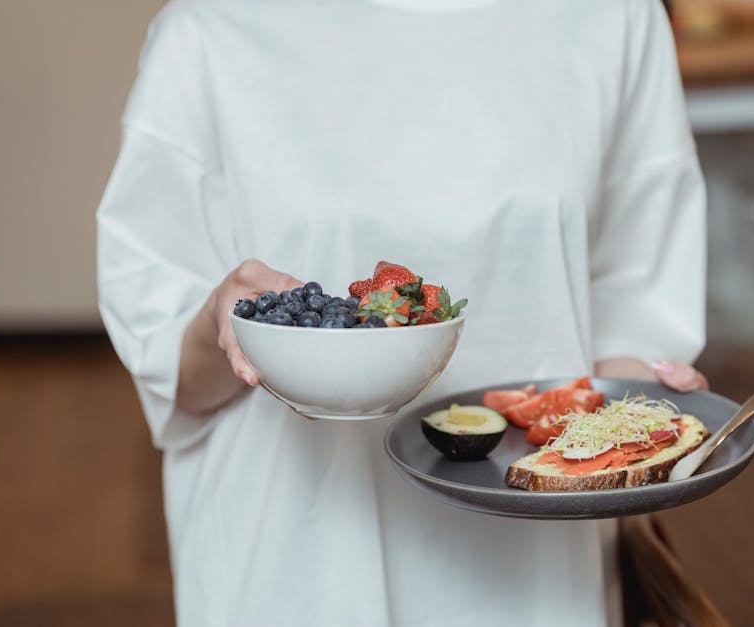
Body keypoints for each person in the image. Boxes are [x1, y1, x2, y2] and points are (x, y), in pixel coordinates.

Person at [98, 0, 708, 625]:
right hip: (299, 557)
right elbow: (179, 383)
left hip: (538, 564)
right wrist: (229, 327)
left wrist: (643, 408)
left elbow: (634, 297)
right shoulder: (208, 27)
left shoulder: (614, 17)